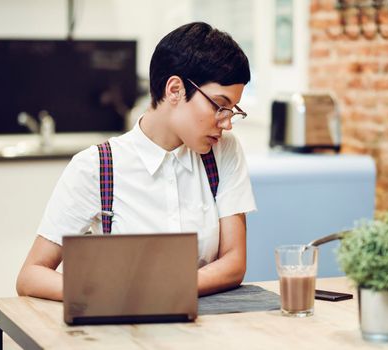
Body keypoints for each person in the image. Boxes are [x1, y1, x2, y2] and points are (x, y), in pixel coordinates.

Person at [16, 22, 256, 301]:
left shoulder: (224, 152)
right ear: (175, 90)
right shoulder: (97, 167)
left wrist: (156, 288)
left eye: (233, 110)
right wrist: (108, 292)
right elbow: (31, 275)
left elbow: (234, 263)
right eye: (219, 106)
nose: (227, 123)